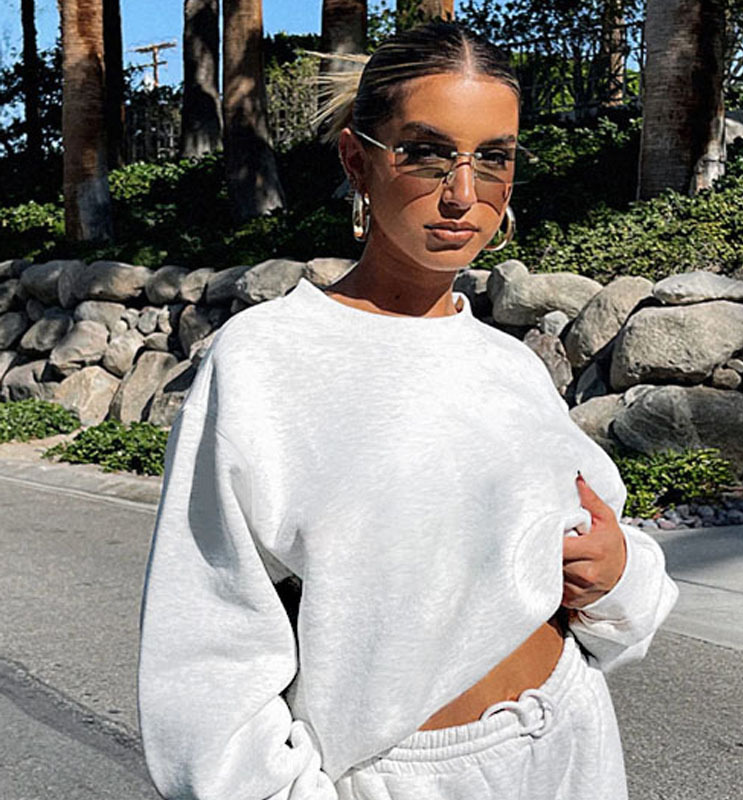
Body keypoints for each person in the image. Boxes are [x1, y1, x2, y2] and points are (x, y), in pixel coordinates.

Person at [136, 19, 679, 800]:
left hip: (573, 744)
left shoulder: (509, 364)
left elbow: (601, 552)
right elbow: (208, 647)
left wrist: (618, 575)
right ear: (357, 161)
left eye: (493, 158)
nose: (463, 193)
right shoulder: (264, 361)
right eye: (426, 153)